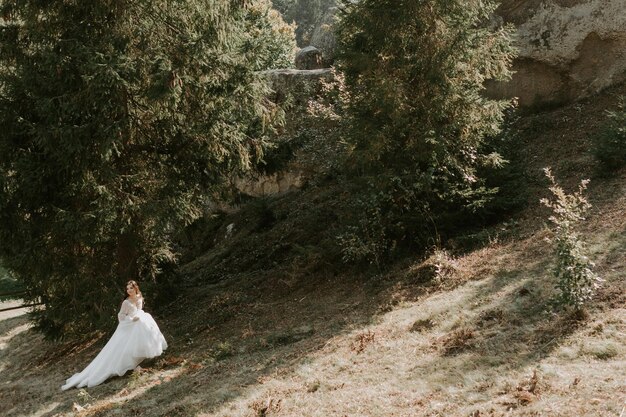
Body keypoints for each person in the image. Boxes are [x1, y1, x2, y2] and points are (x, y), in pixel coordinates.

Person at [61, 280, 168, 390]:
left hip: (140, 321)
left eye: (131, 288)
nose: (129, 290)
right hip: (129, 324)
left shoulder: (139, 297)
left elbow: (140, 309)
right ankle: (121, 365)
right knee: (120, 348)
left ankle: (145, 358)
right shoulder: (126, 302)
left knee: (146, 329)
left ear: (136, 288)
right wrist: (131, 319)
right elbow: (121, 316)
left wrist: (139, 316)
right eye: (127, 289)